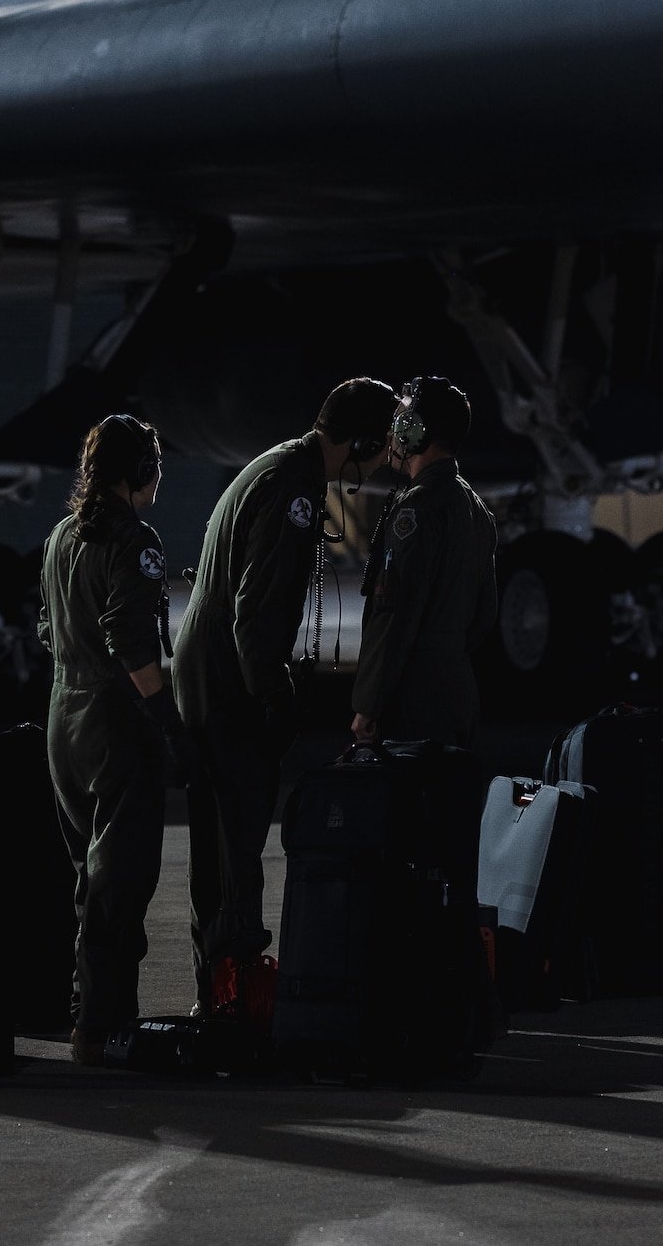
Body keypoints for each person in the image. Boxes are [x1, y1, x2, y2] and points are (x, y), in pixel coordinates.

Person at [173, 377, 399, 1012]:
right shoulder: (293, 489)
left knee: (219, 841)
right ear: (357, 440)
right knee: (235, 841)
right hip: (229, 683)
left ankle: (218, 988)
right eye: (379, 446)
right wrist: (274, 698)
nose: (384, 459)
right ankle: (232, 994)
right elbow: (258, 610)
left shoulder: (277, 466)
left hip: (210, 674)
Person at [37, 414, 195, 1062]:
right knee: (121, 881)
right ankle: (100, 1027)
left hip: (62, 721)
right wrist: (166, 718)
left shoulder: (59, 538)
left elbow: (47, 630)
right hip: (113, 724)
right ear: (141, 472)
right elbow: (129, 638)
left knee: (89, 878)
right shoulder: (136, 540)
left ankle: (93, 1015)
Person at [350, 376, 499, 748]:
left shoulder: (418, 507)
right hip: (457, 691)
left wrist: (368, 704)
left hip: (413, 699)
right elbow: (486, 613)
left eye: (401, 421)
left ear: (416, 432)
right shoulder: (477, 508)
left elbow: (395, 613)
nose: (394, 432)